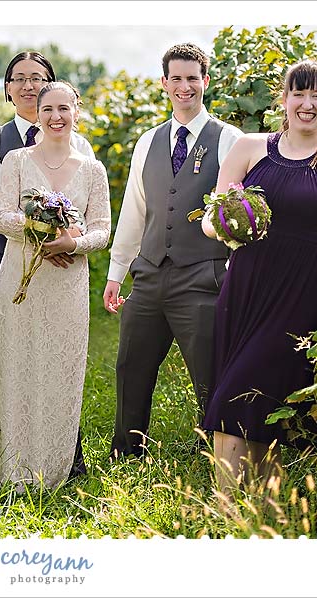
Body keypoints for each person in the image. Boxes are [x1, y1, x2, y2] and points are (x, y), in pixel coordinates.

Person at [201, 60, 317, 495]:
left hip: (303, 297)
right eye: (299, 93)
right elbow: (209, 219)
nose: (307, 103)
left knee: (260, 397)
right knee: (238, 398)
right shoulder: (249, 148)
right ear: (284, 99)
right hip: (246, 290)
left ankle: (240, 512)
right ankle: (244, 512)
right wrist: (229, 221)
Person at [104, 44, 243, 459]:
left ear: (206, 81)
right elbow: (135, 209)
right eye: (176, 79)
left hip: (204, 276)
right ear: (164, 84)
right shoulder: (148, 141)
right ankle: (127, 454)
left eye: (192, 78)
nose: (185, 87)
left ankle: (218, 458)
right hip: (148, 274)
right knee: (131, 367)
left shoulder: (228, 140)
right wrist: (116, 272)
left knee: (208, 373)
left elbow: (238, 214)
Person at [0, 51, 95, 480]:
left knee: (60, 361)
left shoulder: (82, 148)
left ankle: (60, 458)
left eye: (37, 79)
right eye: (19, 79)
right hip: (10, 259)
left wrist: (69, 243)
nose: (28, 86)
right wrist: (46, 239)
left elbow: (87, 213)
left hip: (63, 265)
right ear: (8, 89)